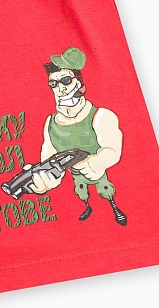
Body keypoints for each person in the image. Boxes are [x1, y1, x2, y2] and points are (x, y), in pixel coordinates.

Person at [25, 47, 127, 225]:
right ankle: (87, 206)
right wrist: (44, 181)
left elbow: (113, 149)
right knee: (81, 191)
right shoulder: (50, 123)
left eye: (65, 80)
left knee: (105, 189)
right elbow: (47, 158)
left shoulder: (101, 116)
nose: (60, 88)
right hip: (75, 173)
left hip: (96, 170)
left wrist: (96, 162)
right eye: (53, 84)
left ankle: (115, 208)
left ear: (78, 82)